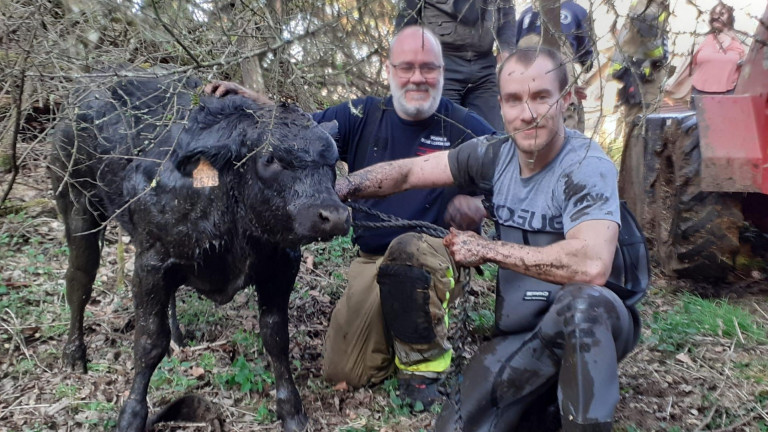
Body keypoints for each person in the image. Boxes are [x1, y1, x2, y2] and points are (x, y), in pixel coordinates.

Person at [335, 46, 641, 431]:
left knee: (582, 306)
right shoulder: (494, 155)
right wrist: (345, 187)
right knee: (455, 426)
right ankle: (545, 403)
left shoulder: (586, 165)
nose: (527, 113)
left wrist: (487, 249)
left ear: (564, 100)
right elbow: (409, 173)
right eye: (514, 100)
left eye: (541, 97)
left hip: (595, 322)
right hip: (526, 331)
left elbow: (591, 265)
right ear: (500, 105)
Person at [207, 25, 496, 406]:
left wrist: (478, 207)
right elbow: (300, 132)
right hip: (373, 258)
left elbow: (512, 181)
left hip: (435, 253)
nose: (417, 78)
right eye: (406, 67)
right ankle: (402, 331)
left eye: (429, 68)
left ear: (443, 72)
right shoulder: (361, 114)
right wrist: (254, 102)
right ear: (388, 69)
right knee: (344, 373)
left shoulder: (466, 127)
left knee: (410, 252)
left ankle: (424, 373)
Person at [396, 0, 516, 132]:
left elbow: (507, 14)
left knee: (491, 134)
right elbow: (406, 21)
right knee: (441, 132)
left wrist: (506, 51)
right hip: (442, 65)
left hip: (485, 67)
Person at [517, 0, 595, 132]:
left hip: (524, 73)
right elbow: (586, 58)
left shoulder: (526, 13)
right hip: (560, 69)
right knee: (566, 115)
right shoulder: (576, 10)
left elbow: (514, 47)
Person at [610, 0, 670, 136]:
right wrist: (659, 58)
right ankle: (639, 157)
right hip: (643, 75)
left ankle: (637, 154)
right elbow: (649, 34)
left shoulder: (651, 5)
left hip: (637, 73)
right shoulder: (648, 7)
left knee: (637, 125)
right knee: (643, 127)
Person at [689, 2, 745, 109]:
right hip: (699, 95)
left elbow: (746, 69)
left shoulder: (739, 44)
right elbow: (688, 65)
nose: (716, 17)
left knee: (725, 125)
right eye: (714, 14)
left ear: (730, 17)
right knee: (697, 125)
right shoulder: (702, 39)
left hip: (727, 96)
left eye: (721, 14)